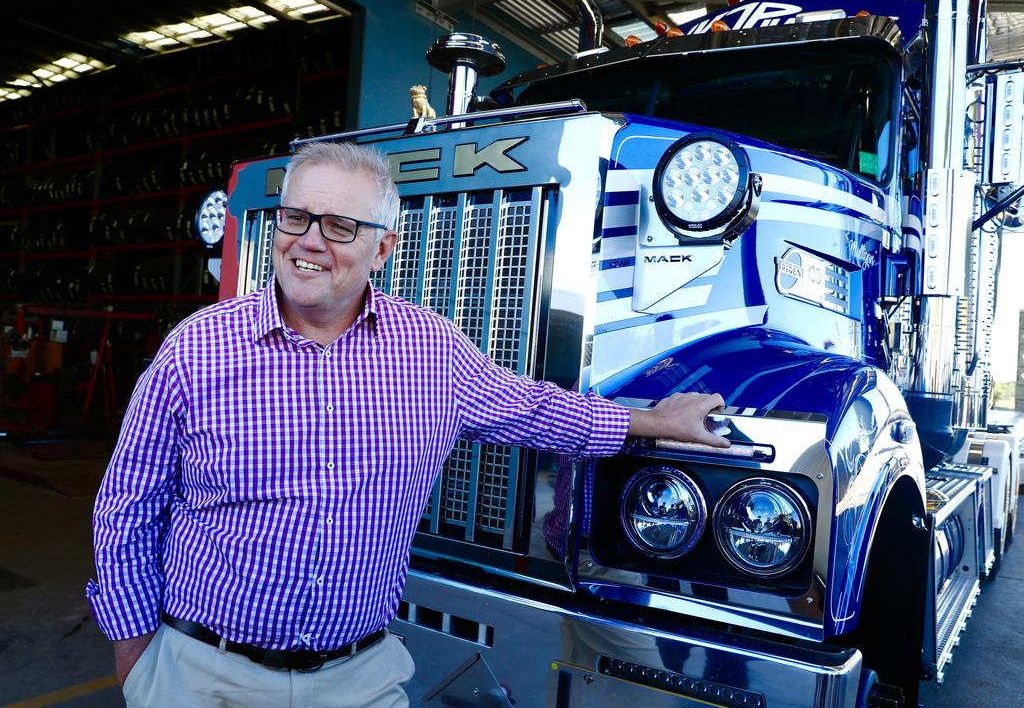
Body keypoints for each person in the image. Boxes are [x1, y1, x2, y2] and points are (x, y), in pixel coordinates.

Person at [88, 141, 728, 708]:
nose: (308, 241)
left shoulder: (429, 350)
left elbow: (538, 411)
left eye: (339, 226)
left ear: (384, 248)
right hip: (205, 677)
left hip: (360, 678)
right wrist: (139, 667)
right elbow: (127, 506)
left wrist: (650, 420)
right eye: (295, 217)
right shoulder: (196, 347)